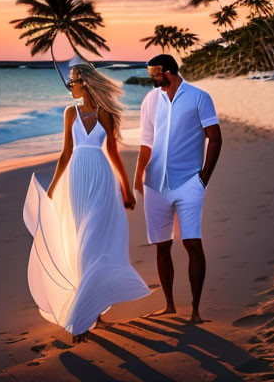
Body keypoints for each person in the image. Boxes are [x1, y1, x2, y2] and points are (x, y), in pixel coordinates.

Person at [24, 63, 150, 343]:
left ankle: (82, 319)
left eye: (72, 82)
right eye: (69, 83)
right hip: (76, 182)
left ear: (85, 82)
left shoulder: (107, 114)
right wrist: (54, 188)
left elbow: (114, 153)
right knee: (79, 245)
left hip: (102, 181)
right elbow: (66, 153)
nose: (69, 87)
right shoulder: (70, 113)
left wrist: (126, 188)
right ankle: (92, 308)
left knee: (93, 245)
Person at [133, 54, 222, 324]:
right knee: (162, 246)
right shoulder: (150, 100)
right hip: (155, 184)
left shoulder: (199, 97)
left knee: (192, 244)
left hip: (189, 183)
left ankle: (195, 310)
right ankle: (169, 305)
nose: (150, 77)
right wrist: (138, 176)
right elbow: (146, 143)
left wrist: (203, 178)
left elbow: (215, 138)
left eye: (154, 73)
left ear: (168, 72)